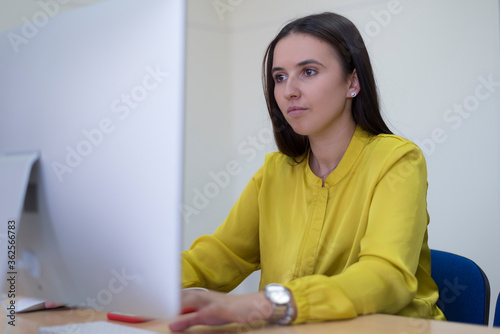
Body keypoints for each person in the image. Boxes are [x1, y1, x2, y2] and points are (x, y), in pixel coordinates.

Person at [168, 12, 445, 332]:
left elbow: (386, 275)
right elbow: (222, 255)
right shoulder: (274, 172)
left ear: (352, 82)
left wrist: (264, 304)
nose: (289, 91)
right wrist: (142, 284)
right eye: (280, 77)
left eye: (308, 72)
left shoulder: (397, 160)